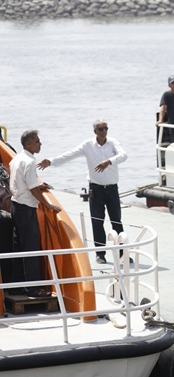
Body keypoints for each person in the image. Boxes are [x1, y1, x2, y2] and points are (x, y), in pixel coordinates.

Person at [38, 119, 128, 264]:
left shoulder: (113, 143)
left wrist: (108, 161)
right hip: (96, 189)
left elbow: (123, 155)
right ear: (95, 132)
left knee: (116, 221)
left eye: (106, 128)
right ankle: (100, 254)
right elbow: (70, 155)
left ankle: (123, 254)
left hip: (112, 189)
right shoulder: (88, 145)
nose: (104, 131)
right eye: (100, 129)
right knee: (97, 221)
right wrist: (51, 161)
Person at [9, 130, 62, 295]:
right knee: (31, 248)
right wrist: (48, 205)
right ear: (28, 144)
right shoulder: (30, 162)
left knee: (19, 247)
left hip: (15, 206)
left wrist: (38, 185)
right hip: (26, 209)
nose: (41, 144)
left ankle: (18, 285)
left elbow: (24, 182)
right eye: (38, 141)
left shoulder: (16, 159)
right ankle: (33, 288)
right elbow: (32, 189)